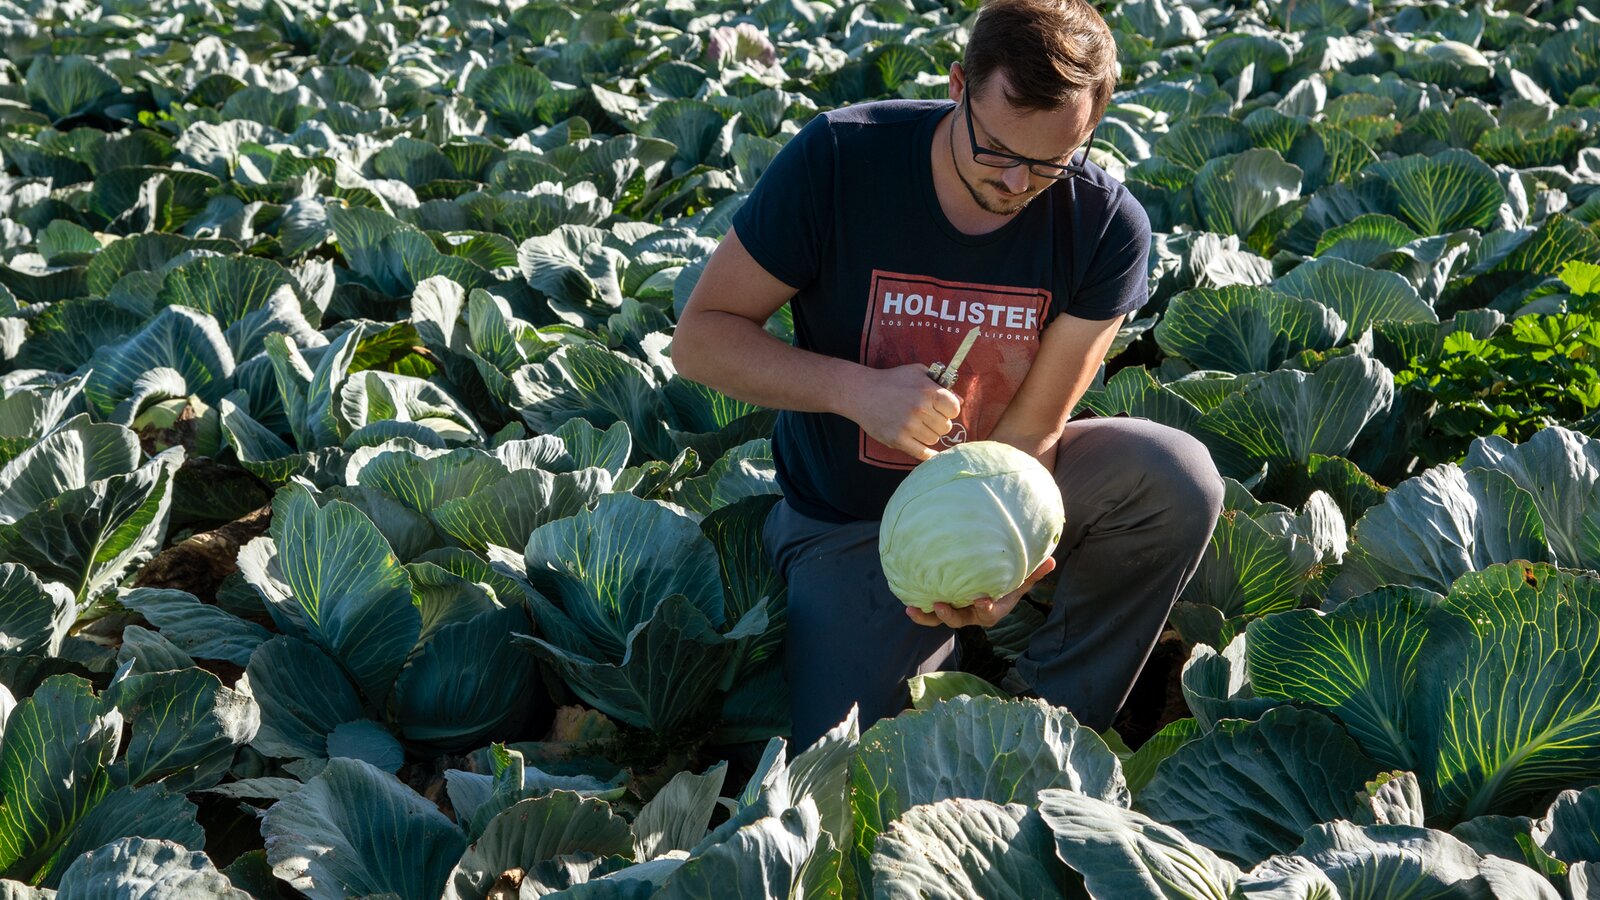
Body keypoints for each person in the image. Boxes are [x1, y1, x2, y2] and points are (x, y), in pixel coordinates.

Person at [673, 0, 1224, 750]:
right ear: (959, 85)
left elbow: (1033, 430)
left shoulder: (1104, 225)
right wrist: (855, 391)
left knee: (1176, 480)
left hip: (998, 484)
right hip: (848, 517)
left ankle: (1050, 718)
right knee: (858, 765)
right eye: (996, 149)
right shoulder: (841, 161)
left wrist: (1002, 565)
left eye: (1052, 161)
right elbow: (700, 341)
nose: (1017, 181)